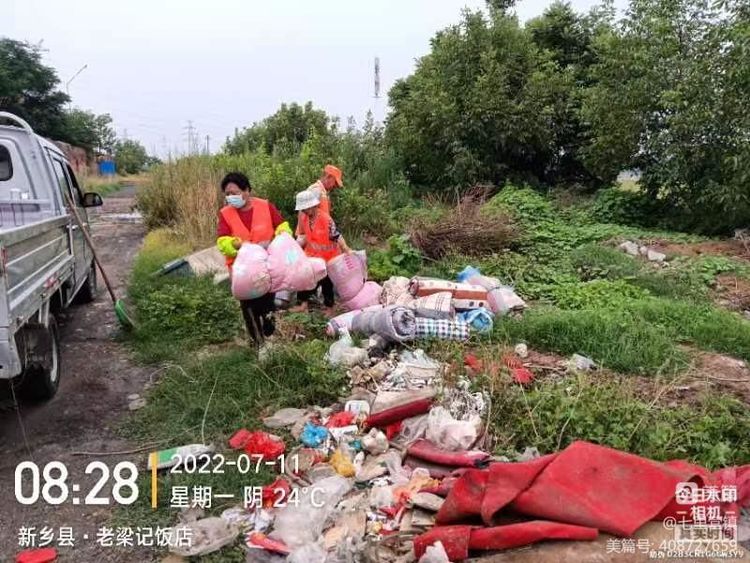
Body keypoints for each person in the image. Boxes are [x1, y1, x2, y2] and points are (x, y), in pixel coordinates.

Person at [216, 172, 291, 345]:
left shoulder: (265, 206)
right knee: (249, 307)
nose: (231, 197)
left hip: (266, 267)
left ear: (247, 190)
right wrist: (234, 245)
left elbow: (281, 225)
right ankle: (257, 343)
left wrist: (283, 234)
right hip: (242, 272)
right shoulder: (226, 213)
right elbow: (222, 240)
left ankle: (270, 335)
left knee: (267, 304)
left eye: (234, 193)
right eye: (227, 194)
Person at [291, 189, 352, 315]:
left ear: (313, 205)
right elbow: (303, 235)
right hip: (312, 256)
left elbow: (337, 235)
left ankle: (329, 307)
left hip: (328, 257)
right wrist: (294, 247)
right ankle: (303, 304)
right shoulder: (304, 218)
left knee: (326, 283)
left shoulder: (325, 219)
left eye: (306, 208)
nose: (304, 211)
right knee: (305, 278)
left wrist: (346, 249)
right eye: (302, 209)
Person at [295, 164, 344, 237]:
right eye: (335, 182)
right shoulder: (316, 190)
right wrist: (303, 235)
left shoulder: (322, 192)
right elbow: (302, 212)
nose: (335, 186)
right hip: (309, 237)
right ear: (328, 177)